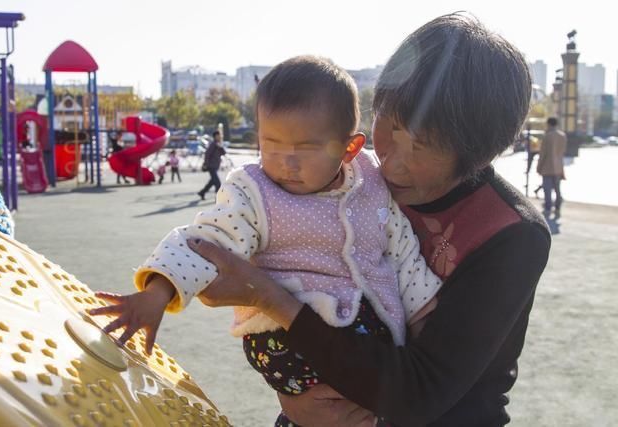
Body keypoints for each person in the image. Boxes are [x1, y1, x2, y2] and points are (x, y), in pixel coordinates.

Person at [131, 14, 549, 426]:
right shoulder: (355, 176)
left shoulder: (512, 235)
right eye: (389, 124)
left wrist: (270, 298)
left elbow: (420, 393)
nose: (391, 160)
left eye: (421, 147)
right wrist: (293, 395)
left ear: (478, 156)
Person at [90, 56, 443, 426]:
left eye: (306, 149)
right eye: (270, 145)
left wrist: (422, 315)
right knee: (353, 392)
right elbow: (206, 240)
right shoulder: (254, 191)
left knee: (371, 386)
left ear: (349, 149)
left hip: (367, 330)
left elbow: (402, 250)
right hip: (284, 339)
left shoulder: (370, 180)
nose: (286, 162)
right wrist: (157, 293)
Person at [537, 117, 567, 219]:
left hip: (547, 166)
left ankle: (548, 207)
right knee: (557, 189)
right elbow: (562, 152)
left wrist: (539, 167)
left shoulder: (547, 136)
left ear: (549, 124)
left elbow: (543, 154)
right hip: (558, 167)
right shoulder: (562, 136)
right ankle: (558, 207)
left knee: (547, 189)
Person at [197, 131, 226, 200]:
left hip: (215, 166)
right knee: (218, 183)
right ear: (215, 136)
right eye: (218, 136)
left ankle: (202, 192)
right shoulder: (213, 144)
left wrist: (220, 147)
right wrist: (206, 164)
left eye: (220, 136)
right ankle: (219, 199)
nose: (220, 137)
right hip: (211, 166)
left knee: (212, 181)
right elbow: (207, 154)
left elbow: (224, 153)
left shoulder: (218, 144)